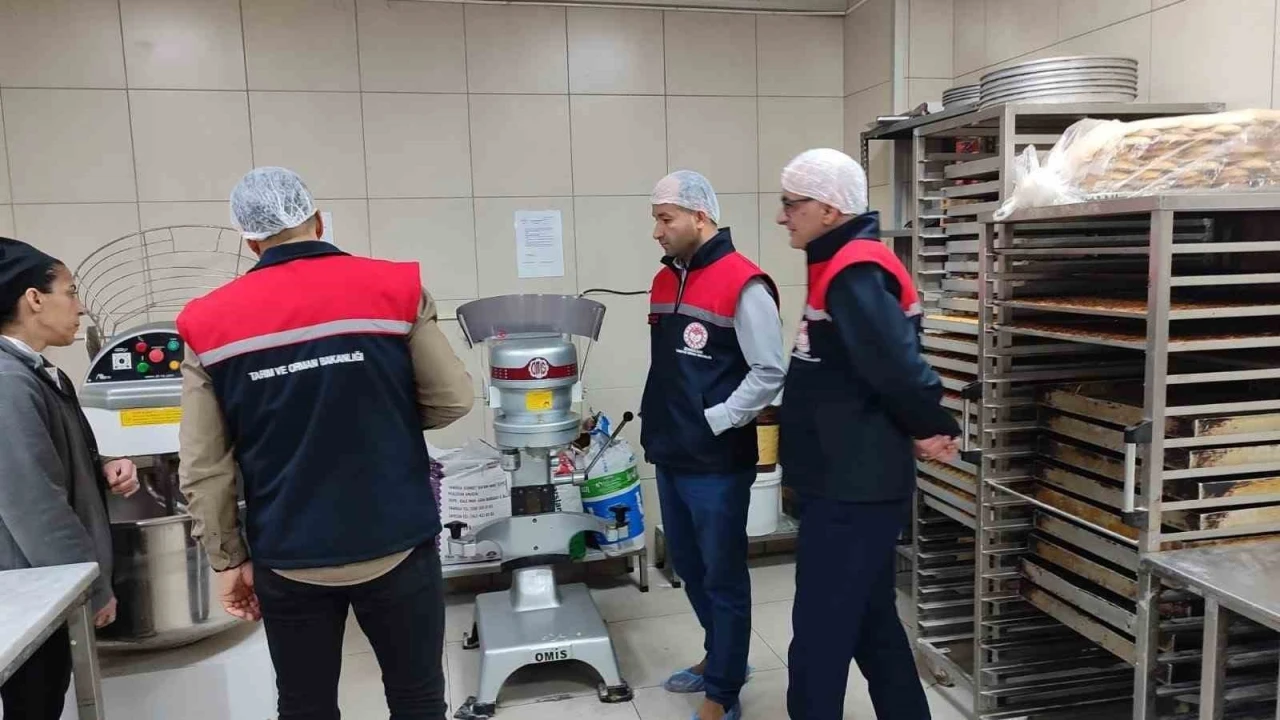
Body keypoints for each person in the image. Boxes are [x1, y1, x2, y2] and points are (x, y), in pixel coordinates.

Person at [176, 167, 474, 720]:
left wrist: (226, 559)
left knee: (305, 705)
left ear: (250, 240)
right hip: (396, 539)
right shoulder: (395, 289)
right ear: (316, 220)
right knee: (417, 699)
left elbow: (203, 464)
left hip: (288, 551)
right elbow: (453, 399)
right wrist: (383, 418)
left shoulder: (207, 323)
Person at [775, 148, 960, 719]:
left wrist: (930, 424)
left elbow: (896, 366)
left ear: (829, 210)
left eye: (791, 204)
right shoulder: (839, 263)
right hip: (847, 479)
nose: (782, 216)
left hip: (852, 488)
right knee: (870, 622)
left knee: (820, 635)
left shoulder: (853, 269)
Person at [640, 170, 786, 720]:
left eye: (665, 218)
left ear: (700, 216)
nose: (657, 231)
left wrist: (719, 419)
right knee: (690, 565)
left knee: (722, 574)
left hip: (717, 459)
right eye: (656, 219)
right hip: (671, 450)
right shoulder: (664, 281)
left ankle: (723, 690)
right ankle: (721, 656)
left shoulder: (744, 283)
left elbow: (769, 371)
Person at [0, 237, 140, 720]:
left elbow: (43, 458)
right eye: (71, 292)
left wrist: (98, 465)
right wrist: (88, 588)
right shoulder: (8, 382)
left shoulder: (37, 372)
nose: (80, 308)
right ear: (34, 299)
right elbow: (35, 503)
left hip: (41, 586)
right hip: (33, 590)